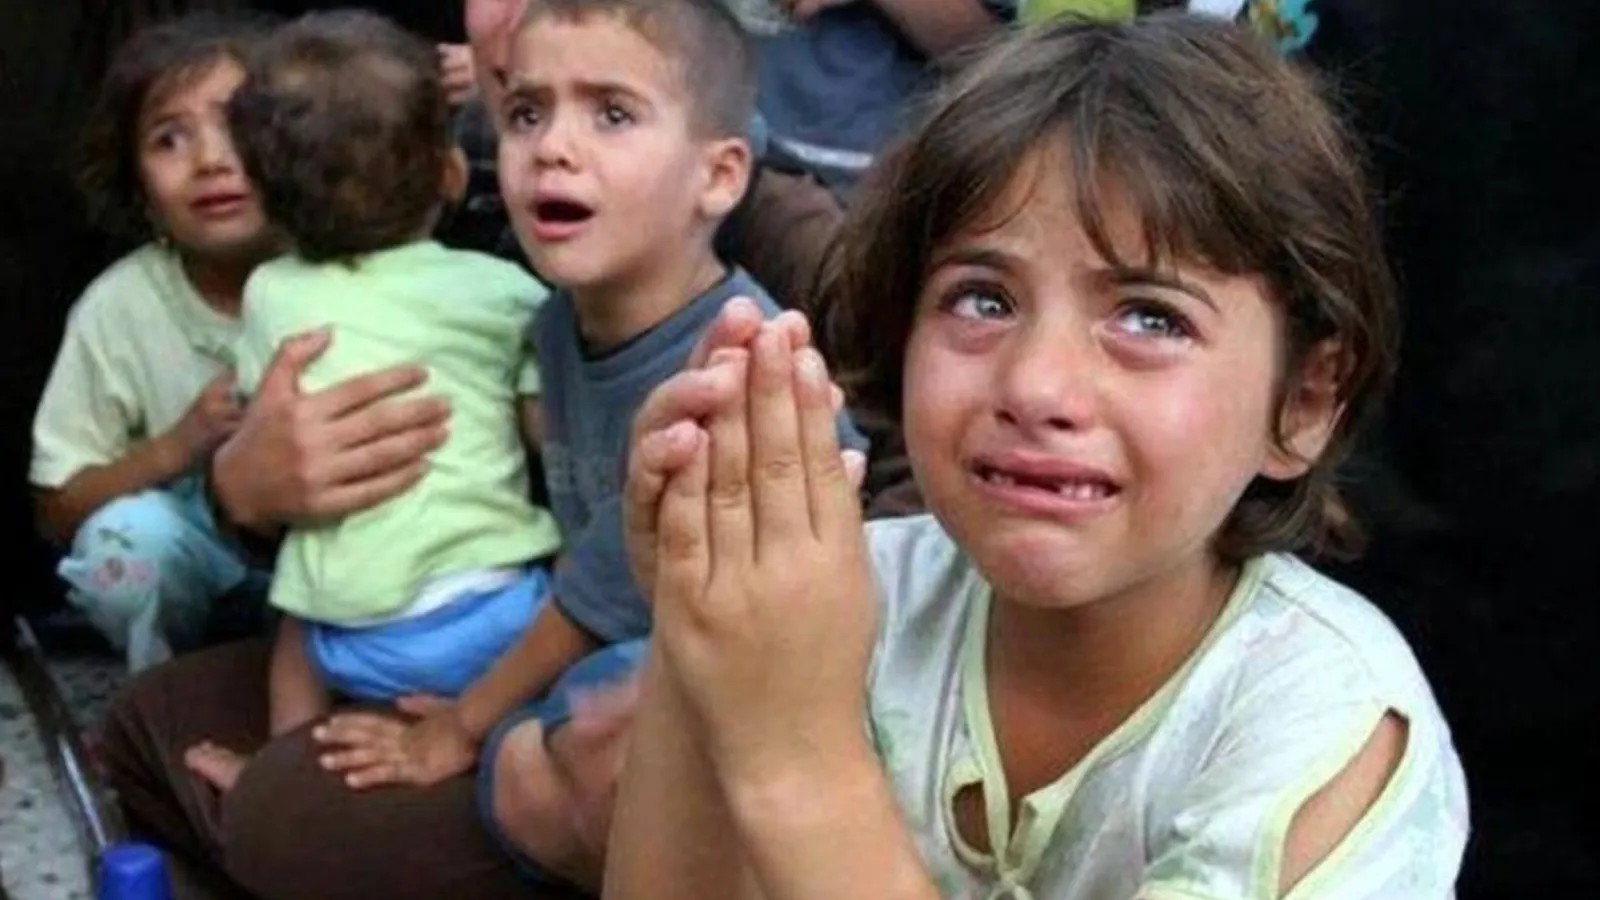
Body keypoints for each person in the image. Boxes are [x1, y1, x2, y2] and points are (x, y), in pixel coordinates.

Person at [610, 14, 1469, 900]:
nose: (1036, 384)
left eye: (1150, 318)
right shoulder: (843, 601)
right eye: (982, 300)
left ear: (1303, 403)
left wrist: (799, 759)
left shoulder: (1324, 728)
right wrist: (700, 609)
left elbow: (794, 765)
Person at [179, 10, 560, 794]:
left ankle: (276, 774)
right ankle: (505, 742)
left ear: (267, 200)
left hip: (351, 633)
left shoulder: (271, 294)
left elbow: (261, 408)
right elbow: (546, 435)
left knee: (294, 625)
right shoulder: (507, 292)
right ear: (451, 173)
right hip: (499, 617)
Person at [30, 12, 279, 671]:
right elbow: (57, 507)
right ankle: (166, 693)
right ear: (139, 189)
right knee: (126, 548)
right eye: (169, 139)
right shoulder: (120, 306)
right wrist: (177, 445)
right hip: (193, 561)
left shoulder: (342, 271)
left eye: (238, 125)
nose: (211, 160)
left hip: (331, 562)